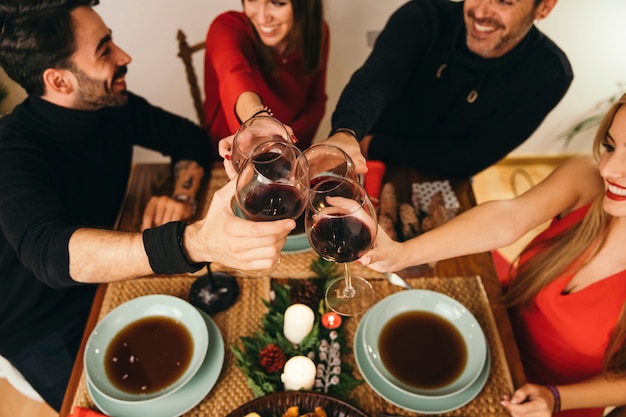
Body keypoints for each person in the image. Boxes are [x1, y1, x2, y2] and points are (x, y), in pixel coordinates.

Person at [0, 0, 295, 411]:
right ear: (59, 80)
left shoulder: (111, 105)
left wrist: (181, 194)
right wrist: (194, 244)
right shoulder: (11, 150)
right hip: (42, 324)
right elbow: (51, 254)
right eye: (104, 50)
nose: (125, 57)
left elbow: (190, 140)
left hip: (115, 280)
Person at [358, 94, 626, 416]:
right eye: (610, 147)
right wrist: (401, 254)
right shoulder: (589, 180)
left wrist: (556, 398)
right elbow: (510, 218)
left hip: (550, 399)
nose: (609, 168)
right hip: (495, 323)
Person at [324, 0, 572, 179]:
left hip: (441, 172)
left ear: (544, 7)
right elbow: (377, 79)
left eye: (504, 2)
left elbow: (470, 157)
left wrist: (374, 145)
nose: (481, 11)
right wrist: (347, 132)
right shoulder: (423, 15)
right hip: (364, 152)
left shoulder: (548, 75)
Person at [203, 0, 329, 154]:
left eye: (277, 3)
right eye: (252, 0)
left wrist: (282, 145)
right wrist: (257, 119)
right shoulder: (225, 28)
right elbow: (234, 75)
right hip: (233, 152)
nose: (262, 18)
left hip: (290, 153)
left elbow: (315, 102)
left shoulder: (317, 32)